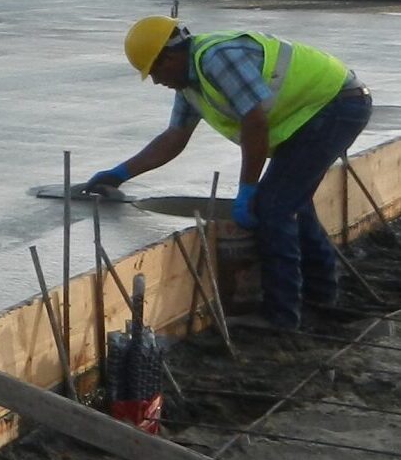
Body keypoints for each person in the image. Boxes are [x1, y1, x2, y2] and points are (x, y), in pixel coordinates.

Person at [86, 17, 371, 331]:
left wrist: (247, 189)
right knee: (293, 203)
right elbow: (174, 138)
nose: (156, 81)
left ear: (170, 57)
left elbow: (255, 121)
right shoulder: (190, 85)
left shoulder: (217, 59)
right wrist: (119, 174)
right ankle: (320, 296)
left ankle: (281, 317)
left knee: (273, 208)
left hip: (337, 106)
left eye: (154, 71)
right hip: (317, 112)